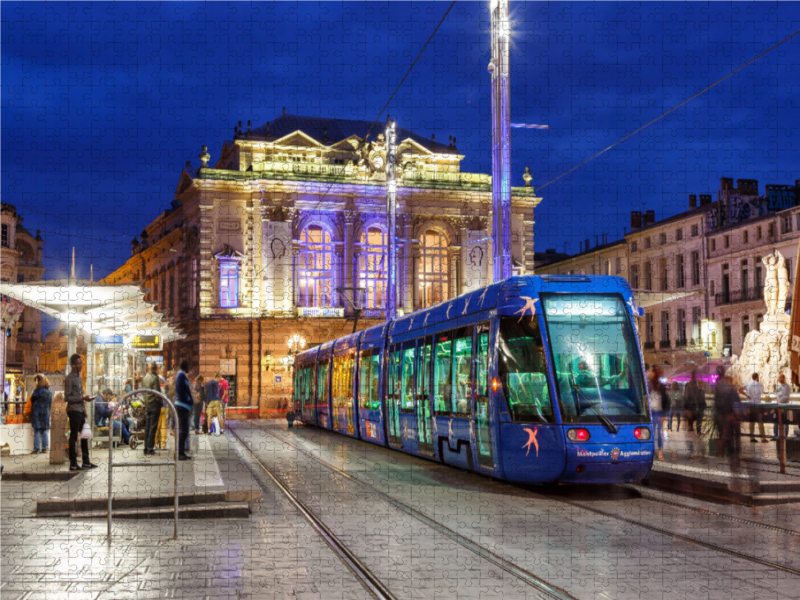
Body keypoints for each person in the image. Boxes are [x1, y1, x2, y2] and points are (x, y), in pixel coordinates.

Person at [64, 353, 97, 471]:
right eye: (78, 363)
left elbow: (80, 394)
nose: (81, 365)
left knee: (84, 436)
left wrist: (84, 409)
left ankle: (86, 462)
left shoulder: (78, 377)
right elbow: (67, 398)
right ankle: (73, 463)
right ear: (73, 365)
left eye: (81, 363)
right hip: (73, 411)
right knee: (73, 437)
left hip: (80, 411)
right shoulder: (69, 378)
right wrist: (82, 399)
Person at [714, 365, 743, 467]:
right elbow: (737, 401)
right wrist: (736, 413)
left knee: (726, 437)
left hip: (722, 417)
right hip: (730, 417)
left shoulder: (717, 386)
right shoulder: (730, 387)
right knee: (734, 437)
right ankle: (735, 458)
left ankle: (728, 457)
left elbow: (717, 404)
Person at [683, 371, 707, 459]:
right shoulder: (698, 389)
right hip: (693, 411)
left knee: (691, 430)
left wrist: (686, 409)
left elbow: (686, 398)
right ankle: (695, 451)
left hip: (691, 410)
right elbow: (702, 402)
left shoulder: (690, 387)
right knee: (695, 430)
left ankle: (692, 452)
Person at [740, 373, 768, 443]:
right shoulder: (758, 384)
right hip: (757, 405)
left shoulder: (748, 384)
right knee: (760, 421)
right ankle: (763, 438)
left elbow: (740, 389)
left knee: (751, 421)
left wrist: (746, 395)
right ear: (757, 377)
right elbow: (762, 392)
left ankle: (752, 437)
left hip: (750, 405)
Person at [174, 360, 194, 460]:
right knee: (184, 430)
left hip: (183, 406)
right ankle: (180, 453)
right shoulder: (181, 375)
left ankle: (180, 452)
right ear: (185, 367)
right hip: (182, 406)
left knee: (184, 430)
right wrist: (188, 399)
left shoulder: (181, 375)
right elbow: (180, 390)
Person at [649, 367, 669, 461]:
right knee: (652, 432)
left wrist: (664, 413)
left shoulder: (660, 386)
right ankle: (654, 452)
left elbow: (666, 400)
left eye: (652, 372)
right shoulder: (649, 385)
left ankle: (658, 452)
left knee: (657, 432)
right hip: (652, 412)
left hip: (657, 412)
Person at [142, 362, 162, 456]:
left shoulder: (145, 377)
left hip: (147, 405)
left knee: (147, 427)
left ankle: (145, 448)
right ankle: (150, 449)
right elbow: (157, 393)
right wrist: (160, 403)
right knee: (153, 427)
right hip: (154, 405)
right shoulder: (155, 377)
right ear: (156, 368)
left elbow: (143, 392)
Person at [30, 374, 52, 454]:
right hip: (45, 412)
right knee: (45, 430)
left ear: (38, 381)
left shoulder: (37, 390)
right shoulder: (49, 390)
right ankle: (45, 448)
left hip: (37, 413)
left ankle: (37, 449)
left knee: (37, 430)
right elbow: (50, 403)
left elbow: (32, 399)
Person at [774, 374, 792, 439]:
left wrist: (780, 399)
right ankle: (775, 435)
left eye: (780, 377)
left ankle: (785, 435)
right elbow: (776, 394)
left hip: (784, 406)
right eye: (778, 377)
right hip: (778, 406)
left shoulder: (787, 387)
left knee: (785, 421)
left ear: (783, 378)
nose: (779, 378)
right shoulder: (777, 385)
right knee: (776, 421)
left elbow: (786, 396)